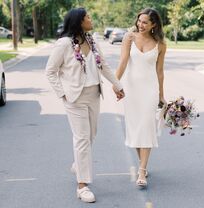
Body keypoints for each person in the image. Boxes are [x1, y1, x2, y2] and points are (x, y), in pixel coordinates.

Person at [46, 8, 124, 203]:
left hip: (94, 94)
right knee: (82, 139)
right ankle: (82, 186)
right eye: (88, 17)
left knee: (91, 136)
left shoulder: (91, 40)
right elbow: (50, 71)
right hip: (75, 97)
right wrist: (62, 94)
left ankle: (78, 164)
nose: (91, 19)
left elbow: (103, 65)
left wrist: (117, 85)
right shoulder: (64, 44)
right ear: (79, 21)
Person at [114, 8, 166, 188]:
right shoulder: (129, 37)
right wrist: (115, 82)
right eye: (139, 21)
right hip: (132, 89)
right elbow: (122, 61)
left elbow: (160, 72)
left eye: (145, 22)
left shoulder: (160, 44)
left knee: (146, 126)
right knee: (136, 128)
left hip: (150, 90)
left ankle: (142, 171)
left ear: (154, 25)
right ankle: (143, 163)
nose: (140, 25)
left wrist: (161, 95)